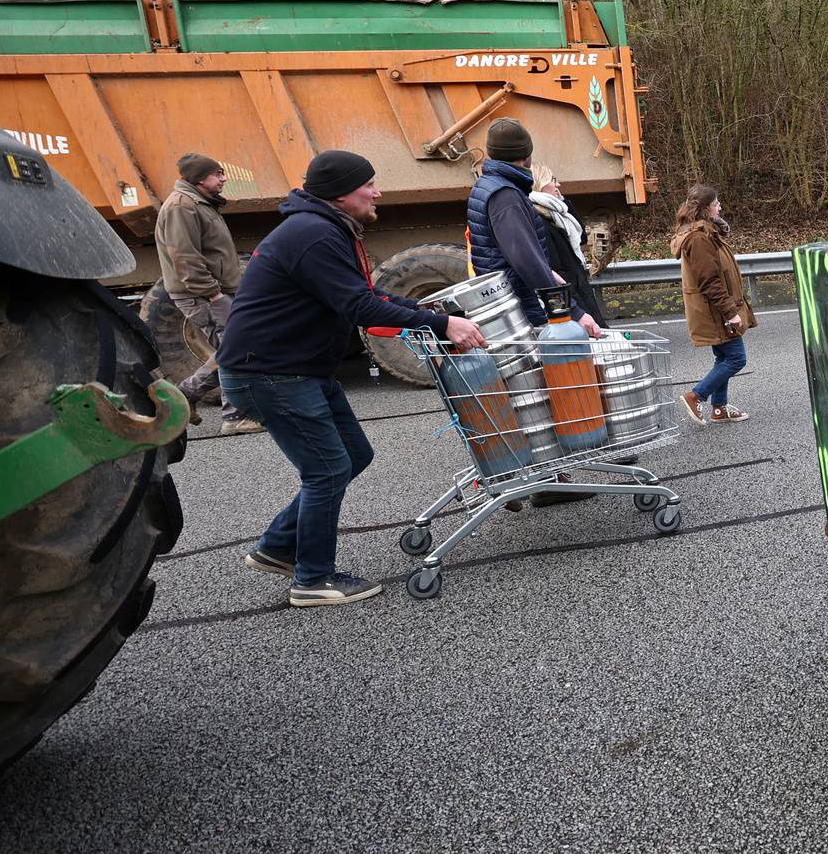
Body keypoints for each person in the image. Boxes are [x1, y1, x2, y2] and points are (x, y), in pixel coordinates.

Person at [217, 149, 486, 608]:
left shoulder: (322, 227)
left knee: (353, 455)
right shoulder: (314, 234)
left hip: (295, 368)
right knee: (326, 470)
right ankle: (313, 580)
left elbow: (363, 292)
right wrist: (442, 326)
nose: (377, 191)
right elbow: (359, 308)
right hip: (272, 373)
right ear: (343, 193)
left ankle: (278, 547)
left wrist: (421, 310)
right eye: (369, 184)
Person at [466, 118, 601, 338]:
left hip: (513, 301)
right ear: (527, 153)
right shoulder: (506, 196)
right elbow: (526, 260)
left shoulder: (490, 186)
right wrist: (572, 312)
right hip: (522, 303)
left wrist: (547, 272)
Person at [154, 152, 260, 433]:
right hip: (202, 294)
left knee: (232, 347)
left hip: (213, 291)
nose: (224, 179)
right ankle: (235, 417)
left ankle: (185, 396)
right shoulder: (182, 207)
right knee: (235, 349)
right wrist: (214, 295)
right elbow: (184, 258)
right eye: (218, 174)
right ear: (200, 179)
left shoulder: (200, 203)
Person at [672, 183, 755, 425]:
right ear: (707, 209)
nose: (720, 207)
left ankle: (719, 408)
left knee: (724, 357)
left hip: (715, 309)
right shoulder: (699, 238)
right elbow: (710, 280)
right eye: (717, 204)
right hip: (715, 311)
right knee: (736, 358)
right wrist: (730, 312)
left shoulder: (706, 232)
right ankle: (696, 396)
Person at [529, 165, 607, 326]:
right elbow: (557, 271)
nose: (558, 185)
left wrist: (563, 202)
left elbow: (581, 238)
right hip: (574, 297)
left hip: (578, 291)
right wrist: (578, 311)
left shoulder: (556, 214)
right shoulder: (540, 221)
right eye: (552, 180)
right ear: (539, 184)